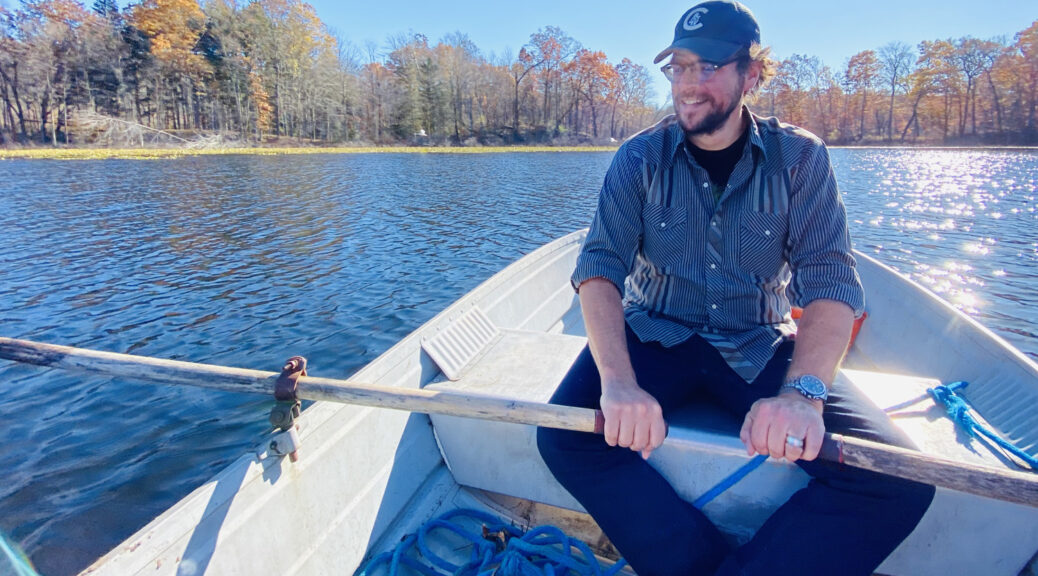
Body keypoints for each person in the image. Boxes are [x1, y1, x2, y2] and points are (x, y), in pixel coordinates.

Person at [535, 2, 935, 575]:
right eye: (679, 67)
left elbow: (831, 283)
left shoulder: (801, 159)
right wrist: (619, 384)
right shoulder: (638, 158)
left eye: (709, 67)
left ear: (751, 75)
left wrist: (803, 394)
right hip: (655, 331)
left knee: (899, 479)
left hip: (756, 340)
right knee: (564, 437)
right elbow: (599, 270)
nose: (689, 85)